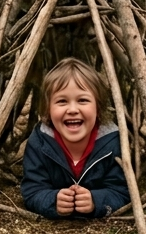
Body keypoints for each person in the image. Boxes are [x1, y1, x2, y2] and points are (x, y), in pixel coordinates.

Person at [21, 57, 130, 219]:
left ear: (98, 108)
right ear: (48, 110)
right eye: (62, 101)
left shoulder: (113, 143)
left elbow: (121, 192)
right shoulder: (39, 142)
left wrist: (96, 201)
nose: (72, 109)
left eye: (83, 100)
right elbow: (32, 190)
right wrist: (52, 201)